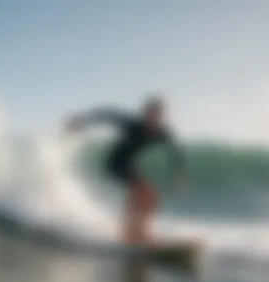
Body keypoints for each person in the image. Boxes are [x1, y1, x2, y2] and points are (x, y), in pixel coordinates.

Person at [63, 96, 187, 245]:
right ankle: (131, 232)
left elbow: (175, 151)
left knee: (151, 197)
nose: (153, 118)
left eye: (157, 115)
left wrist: (180, 173)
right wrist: (81, 121)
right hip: (114, 163)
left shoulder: (162, 132)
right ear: (145, 113)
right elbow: (107, 115)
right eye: (150, 113)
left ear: (162, 116)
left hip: (131, 166)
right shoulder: (132, 125)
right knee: (141, 190)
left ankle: (138, 231)